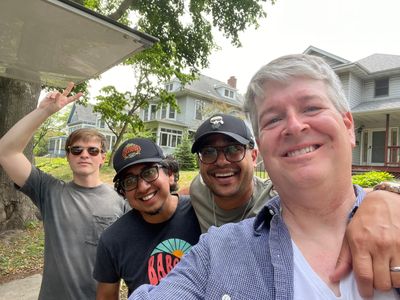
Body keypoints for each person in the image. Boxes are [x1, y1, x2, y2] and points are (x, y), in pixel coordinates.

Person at [128, 54, 400, 299]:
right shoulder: (214, 251)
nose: (294, 126)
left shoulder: (390, 217)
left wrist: (387, 193)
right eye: (273, 119)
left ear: (348, 127)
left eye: (312, 108)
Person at [0, 83, 127, 299]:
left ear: (102, 157)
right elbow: (6, 151)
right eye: (76, 150)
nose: (84, 155)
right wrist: (44, 111)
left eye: (92, 150)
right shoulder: (49, 191)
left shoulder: (122, 200)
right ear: (68, 156)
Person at [93, 138, 201, 299]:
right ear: (123, 192)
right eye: (130, 181)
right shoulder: (112, 240)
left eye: (149, 172)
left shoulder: (201, 213)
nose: (143, 187)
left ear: (170, 174)